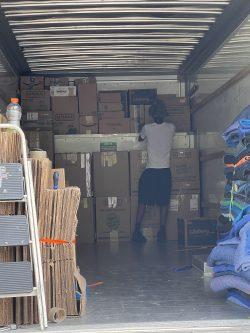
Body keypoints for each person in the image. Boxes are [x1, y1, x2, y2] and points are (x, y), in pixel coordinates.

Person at [132, 99, 175, 243]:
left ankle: (136, 232)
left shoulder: (147, 128)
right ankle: (162, 232)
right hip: (164, 172)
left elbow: (140, 139)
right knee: (163, 203)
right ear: (164, 115)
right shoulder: (171, 127)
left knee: (143, 202)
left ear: (151, 115)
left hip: (150, 172)